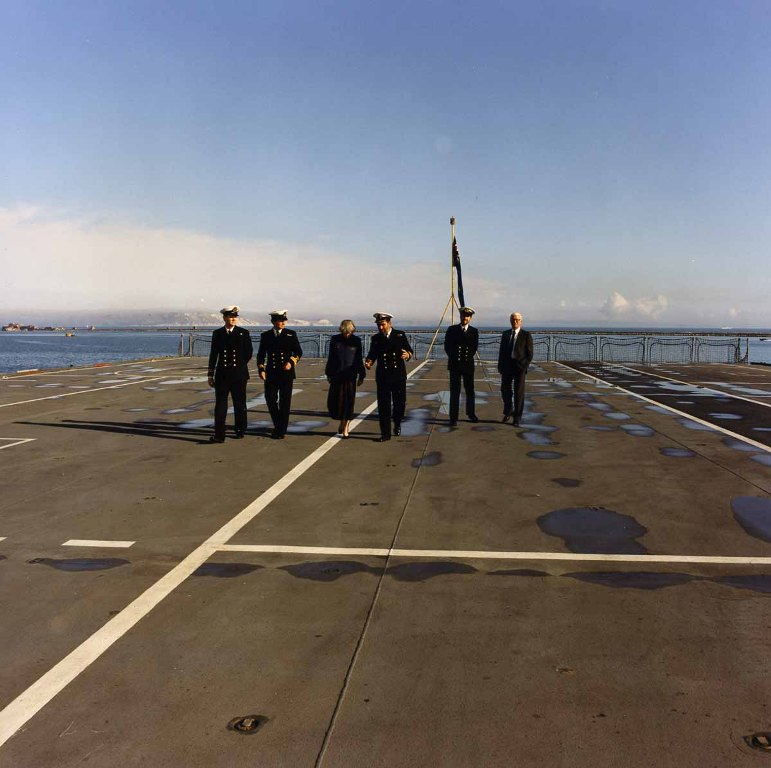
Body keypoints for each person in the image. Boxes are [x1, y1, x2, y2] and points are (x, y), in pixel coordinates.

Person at [207, 305, 253, 443]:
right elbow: (214, 354)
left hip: (239, 375)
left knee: (240, 404)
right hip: (222, 375)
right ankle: (219, 435)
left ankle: (240, 430)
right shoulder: (218, 333)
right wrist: (210, 374)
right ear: (224, 318)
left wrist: (238, 365)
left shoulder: (243, 333)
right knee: (220, 405)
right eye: (230, 316)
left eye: (235, 317)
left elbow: (248, 353)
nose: (233, 319)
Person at [365, 312, 413, 442]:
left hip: (398, 376)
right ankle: (385, 434)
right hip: (383, 376)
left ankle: (397, 423)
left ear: (389, 323)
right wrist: (369, 361)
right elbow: (372, 354)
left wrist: (407, 355)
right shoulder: (376, 338)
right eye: (379, 325)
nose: (380, 327)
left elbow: (409, 350)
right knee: (383, 406)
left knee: (399, 403)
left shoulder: (400, 335)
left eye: (383, 324)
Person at [256, 310, 303, 439]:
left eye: (284, 320)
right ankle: (279, 424)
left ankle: (280, 430)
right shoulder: (266, 336)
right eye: (280, 320)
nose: (283, 322)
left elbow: (298, 352)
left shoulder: (290, 334)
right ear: (273, 322)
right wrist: (261, 369)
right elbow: (261, 355)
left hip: (286, 374)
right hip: (271, 373)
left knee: (285, 402)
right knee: (270, 399)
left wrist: (291, 362)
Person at [325, 320, 366, 438]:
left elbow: (358, 359)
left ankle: (346, 425)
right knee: (336, 402)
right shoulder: (335, 340)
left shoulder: (356, 341)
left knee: (349, 402)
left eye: (349, 332)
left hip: (350, 375)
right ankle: (342, 421)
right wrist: (328, 373)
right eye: (345, 332)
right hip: (337, 375)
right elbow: (331, 358)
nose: (347, 334)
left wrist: (361, 375)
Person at [443, 306, 479, 426]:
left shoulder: (474, 331)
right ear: (460, 316)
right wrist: (454, 358)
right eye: (463, 316)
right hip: (455, 365)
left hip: (468, 365)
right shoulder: (452, 330)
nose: (465, 318)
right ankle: (453, 417)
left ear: (470, 318)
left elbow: (474, 348)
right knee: (454, 392)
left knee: (470, 391)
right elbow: (447, 346)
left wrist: (465, 358)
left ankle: (471, 413)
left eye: (467, 316)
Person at [497, 311, 534, 427]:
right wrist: (500, 365)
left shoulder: (526, 335)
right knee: (505, 390)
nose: (515, 322)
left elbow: (530, 354)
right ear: (510, 321)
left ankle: (517, 418)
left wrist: (524, 366)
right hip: (507, 366)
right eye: (513, 319)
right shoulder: (506, 334)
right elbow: (502, 352)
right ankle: (508, 411)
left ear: (520, 321)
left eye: (517, 320)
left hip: (519, 367)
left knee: (519, 393)